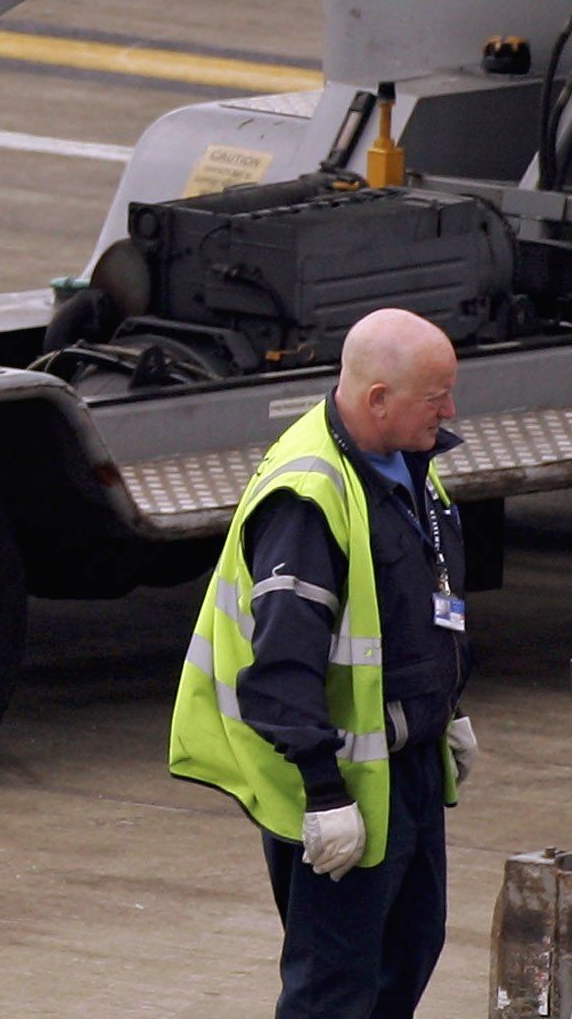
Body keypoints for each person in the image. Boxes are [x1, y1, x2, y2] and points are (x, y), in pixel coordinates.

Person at [170, 306, 475, 1018]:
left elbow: (415, 609)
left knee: (409, 953)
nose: (452, 411)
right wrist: (325, 793)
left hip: (411, 769)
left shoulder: (407, 467)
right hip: (344, 786)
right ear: (378, 401)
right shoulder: (309, 498)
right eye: (437, 399)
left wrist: (447, 710)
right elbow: (280, 666)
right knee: (334, 989)